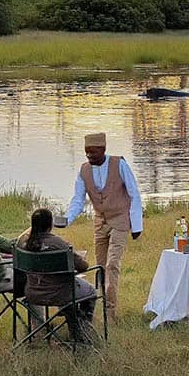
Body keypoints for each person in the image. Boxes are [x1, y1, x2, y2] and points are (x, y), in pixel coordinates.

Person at [65, 132, 143, 322]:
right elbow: (78, 199)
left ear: (103, 150)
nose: (90, 156)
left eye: (93, 152)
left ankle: (111, 312)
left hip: (120, 220)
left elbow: (134, 193)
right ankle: (100, 303)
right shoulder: (84, 170)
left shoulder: (119, 164)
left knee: (112, 264)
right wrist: (67, 219)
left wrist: (136, 225)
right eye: (86, 153)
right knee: (100, 267)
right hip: (100, 222)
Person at [17, 208, 97, 343]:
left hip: (33, 293)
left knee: (69, 291)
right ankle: (81, 331)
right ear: (50, 225)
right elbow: (83, 266)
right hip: (60, 293)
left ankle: (70, 321)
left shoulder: (23, 245)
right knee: (91, 292)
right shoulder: (59, 244)